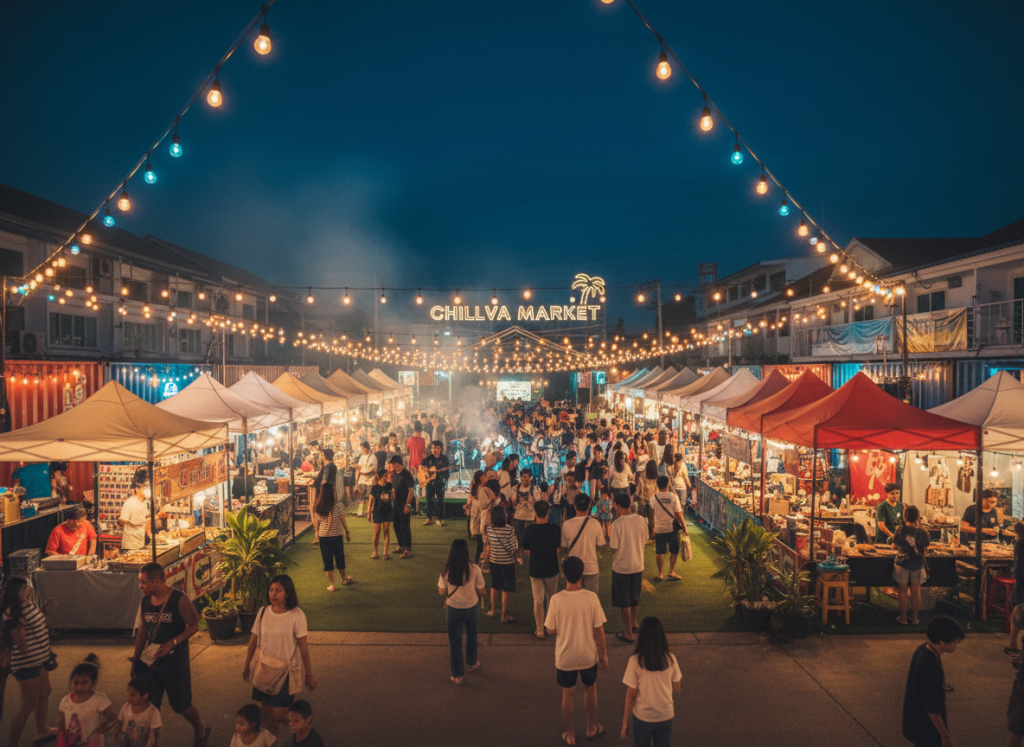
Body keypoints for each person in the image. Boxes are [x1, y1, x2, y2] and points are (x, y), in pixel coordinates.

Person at [131, 563, 209, 747]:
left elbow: (194, 625)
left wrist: (173, 642)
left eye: (143, 582)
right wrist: (136, 660)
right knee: (150, 707)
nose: (140, 586)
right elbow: (144, 629)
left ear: (156, 581)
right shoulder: (145, 601)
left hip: (176, 665)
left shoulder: (179, 600)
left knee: (182, 706)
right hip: (151, 665)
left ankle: (199, 726)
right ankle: (151, 742)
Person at [544, 556, 609, 745]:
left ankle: (571, 735)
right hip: (587, 654)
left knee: (567, 694)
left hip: (565, 656)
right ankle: (590, 728)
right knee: (590, 689)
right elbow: (599, 629)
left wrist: (565, 625)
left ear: (564, 574)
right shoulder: (591, 598)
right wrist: (604, 653)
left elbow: (550, 629)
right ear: (582, 574)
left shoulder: (556, 599)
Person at [242, 575, 317, 739]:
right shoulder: (263, 612)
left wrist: (309, 674)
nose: (273, 594)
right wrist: (247, 665)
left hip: (285, 672)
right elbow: (253, 640)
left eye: (278, 590)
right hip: (264, 668)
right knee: (267, 711)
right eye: (271, 590)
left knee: (280, 714)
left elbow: (303, 647)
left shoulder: (297, 615)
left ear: (287, 593)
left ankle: (302, 727)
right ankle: (274, 742)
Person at [3, 576, 57, 746]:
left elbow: (39, 624)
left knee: (46, 690)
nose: (29, 588)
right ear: (17, 592)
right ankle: (12, 743)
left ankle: (41, 730)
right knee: (28, 704)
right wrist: (18, 629)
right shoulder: (13, 613)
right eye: (25, 587)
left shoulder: (28, 603)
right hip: (26, 663)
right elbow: (23, 647)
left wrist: (44, 610)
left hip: (40, 658)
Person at [902, 615, 964, 747]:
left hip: (915, 721)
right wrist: (945, 736)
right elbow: (932, 708)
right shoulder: (931, 666)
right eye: (955, 642)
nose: (956, 646)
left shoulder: (923, 649)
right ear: (942, 641)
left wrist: (938, 684)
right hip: (926, 729)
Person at [621, 617, 681, 747]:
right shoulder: (670, 659)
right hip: (666, 715)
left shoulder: (635, 661)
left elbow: (631, 694)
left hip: (643, 717)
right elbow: (677, 687)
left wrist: (625, 721)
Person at [438, 539, 486, 685]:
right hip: (471, 607)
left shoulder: (446, 570)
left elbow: (441, 591)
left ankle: (457, 675)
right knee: (472, 635)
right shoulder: (474, 568)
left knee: (455, 641)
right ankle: (471, 663)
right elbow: (482, 590)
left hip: (453, 608)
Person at [610, 492, 650, 643]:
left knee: (624, 601)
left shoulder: (617, 524)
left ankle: (628, 633)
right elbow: (645, 538)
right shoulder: (640, 520)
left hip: (622, 567)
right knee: (634, 597)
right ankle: (634, 623)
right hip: (637, 564)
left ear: (617, 505)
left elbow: (614, 546)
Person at [58, 653, 118, 747]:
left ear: (93, 683)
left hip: (92, 743)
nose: (79, 687)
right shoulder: (65, 701)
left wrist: (104, 727)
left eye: (84, 683)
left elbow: (113, 718)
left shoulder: (99, 700)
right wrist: (61, 740)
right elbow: (61, 723)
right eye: (75, 683)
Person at [523, 500, 562, 640]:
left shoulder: (529, 530)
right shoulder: (555, 529)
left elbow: (527, 550)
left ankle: (539, 629)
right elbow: (558, 548)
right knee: (552, 598)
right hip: (551, 567)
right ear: (548, 512)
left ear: (534, 512)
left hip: (535, 568)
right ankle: (551, 626)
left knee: (538, 600)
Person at [561, 492, 607, 593]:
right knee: (591, 598)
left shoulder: (566, 525)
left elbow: (564, 546)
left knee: (574, 598)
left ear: (575, 506)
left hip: (573, 567)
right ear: (589, 506)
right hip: (591, 566)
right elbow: (600, 544)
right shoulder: (595, 524)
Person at [893, 505, 930, 626]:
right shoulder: (924, 532)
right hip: (917, 564)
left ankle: (903, 618)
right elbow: (926, 548)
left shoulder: (900, 530)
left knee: (902, 591)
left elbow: (894, 545)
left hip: (902, 563)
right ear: (918, 517)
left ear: (905, 517)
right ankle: (914, 618)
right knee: (916, 591)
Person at [313, 478, 352, 591]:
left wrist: (317, 534)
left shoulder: (319, 505)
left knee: (327, 560)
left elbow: (317, 522)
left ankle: (332, 585)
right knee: (340, 558)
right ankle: (344, 579)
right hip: (336, 536)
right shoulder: (338, 505)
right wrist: (347, 532)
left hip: (323, 537)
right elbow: (343, 519)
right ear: (332, 492)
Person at [484, 505, 518, 623]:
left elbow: (487, 543)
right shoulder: (509, 529)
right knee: (506, 589)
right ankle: (504, 615)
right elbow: (513, 547)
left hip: (494, 561)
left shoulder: (489, 529)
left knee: (494, 586)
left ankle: (492, 610)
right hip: (507, 562)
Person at [651, 476, 689, 582]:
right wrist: (684, 526)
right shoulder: (673, 497)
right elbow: (678, 513)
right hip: (671, 527)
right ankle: (671, 572)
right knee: (674, 550)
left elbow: (652, 513)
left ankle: (660, 574)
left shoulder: (654, 497)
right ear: (668, 484)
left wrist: (653, 526)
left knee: (660, 551)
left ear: (657, 485)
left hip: (659, 528)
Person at [118, 676, 162, 747]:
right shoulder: (126, 707)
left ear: (144, 696)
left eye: (133, 695)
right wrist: (117, 735)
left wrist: (155, 744)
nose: (129, 697)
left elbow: (156, 732)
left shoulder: (153, 712)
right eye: (129, 694)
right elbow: (120, 722)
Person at [388, 455, 415, 558]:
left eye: (393, 463)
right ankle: (401, 545)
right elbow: (393, 489)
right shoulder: (394, 475)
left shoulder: (407, 474)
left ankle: (407, 548)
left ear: (397, 463)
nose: (391, 465)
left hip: (404, 503)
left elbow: (411, 491)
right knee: (396, 525)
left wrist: (407, 505)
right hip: (395, 504)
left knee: (405, 525)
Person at [120, 467, 152, 551]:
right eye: (144, 488)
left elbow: (147, 521)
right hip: (129, 545)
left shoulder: (146, 503)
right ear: (137, 489)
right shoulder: (129, 502)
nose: (146, 490)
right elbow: (122, 521)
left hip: (141, 544)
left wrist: (151, 536)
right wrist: (133, 521)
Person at [467, 470, 496, 564]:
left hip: (476, 522)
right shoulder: (482, 490)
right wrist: (493, 502)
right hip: (482, 523)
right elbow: (485, 505)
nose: (486, 478)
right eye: (485, 476)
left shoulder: (476, 489)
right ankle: (479, 564)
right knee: (482, 545)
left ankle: (478, 563)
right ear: (481, 479)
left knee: (480, 545)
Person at [512, 469, 541, 560]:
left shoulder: (534, 488)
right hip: (518, 515)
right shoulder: (516, 487)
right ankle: (518, 555)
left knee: (529, 536)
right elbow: (513, 501)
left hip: (530, 516)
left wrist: (531, 499)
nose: (526, 479)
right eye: (524, 477)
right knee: (518, 536)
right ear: (520, 477)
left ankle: (529, 555)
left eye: (528, 477)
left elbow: (538, 501)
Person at [420, 441, 450, 527]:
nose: (435, 450)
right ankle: (429, 518)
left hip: (439, 482)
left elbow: (447, 472)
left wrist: (443, 475)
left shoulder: (444, 459)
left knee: (440, 501)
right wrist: (426, 474)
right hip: (429, 482)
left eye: (437, 448)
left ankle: (439, 519)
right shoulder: (428, 459)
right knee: (429, 500)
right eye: (433, 448)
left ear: (440, 449)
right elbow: (421, 468)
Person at [367, 470, 394, 560]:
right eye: (385, 475)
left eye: (387, 475)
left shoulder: (389, 485)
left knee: (386, 531)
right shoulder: (375, 487)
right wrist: (368, 512)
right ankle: (375, 552)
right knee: (377, 531)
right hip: (377, 511)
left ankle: (385, 553)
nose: (387, 477)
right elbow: (370, 501)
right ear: (380, 476)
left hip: (387, 510)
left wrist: (392, 491)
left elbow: (393, 498)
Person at [1008, 522, 1024, 656]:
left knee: (1018, 607)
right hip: (1021, 580)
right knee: (1017, 606)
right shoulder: (1020, 542)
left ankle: (1013, 644)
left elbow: (1019, 566)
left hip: (1021, 581)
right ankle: (1013, 644)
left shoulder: (1020, 542)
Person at [406, 423, 426, 514]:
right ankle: (418, 507)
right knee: (419, 486)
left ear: (414, 430)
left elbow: (407, 449)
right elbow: (423, 451)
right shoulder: (422, 440)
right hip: (420, 465)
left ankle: (412, 506)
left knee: (412, 486)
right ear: (421, 431)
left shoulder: (409, 439)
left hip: (412, 465)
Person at [355, 442, 377, 517]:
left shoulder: (373, 457)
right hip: (362, 480)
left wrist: (363, 472)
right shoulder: (362, 457)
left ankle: (370, 511)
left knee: (370, 496)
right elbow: (359, 467)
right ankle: (360, 512)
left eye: (363, 448)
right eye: (361, 448)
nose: (362, 450)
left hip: (370, 480)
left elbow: (372, 469)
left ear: (367, 448)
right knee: (361, 495)